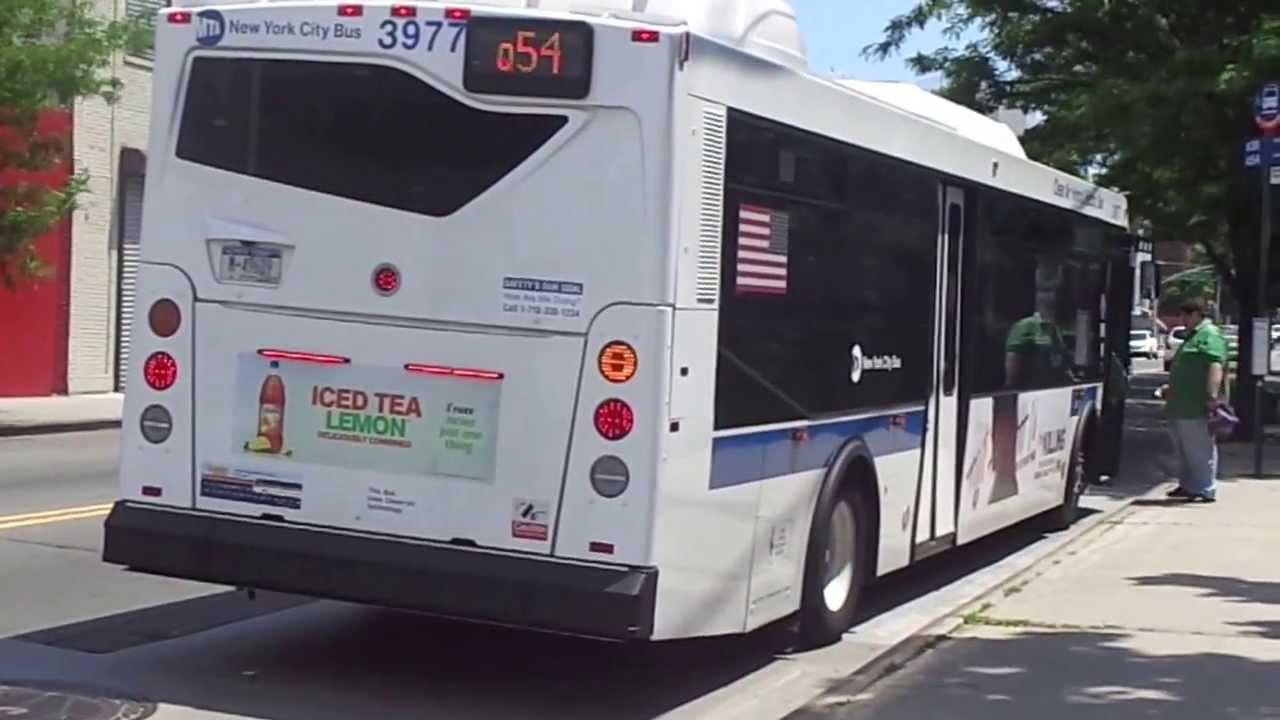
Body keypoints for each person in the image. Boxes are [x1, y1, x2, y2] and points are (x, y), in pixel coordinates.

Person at [1156, 298, 1226, 502]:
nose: (1183, 319)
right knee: (1184, 449)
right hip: (1180, 404)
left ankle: (1205, 488)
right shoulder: (1193, 335)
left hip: (1195, 404)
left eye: (1186, 315)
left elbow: (1215, 365)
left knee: (1199, 449)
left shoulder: (1209, 335)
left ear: (1197, 314)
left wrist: (1211, 396)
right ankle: (1188, 485)